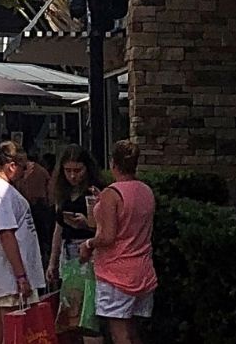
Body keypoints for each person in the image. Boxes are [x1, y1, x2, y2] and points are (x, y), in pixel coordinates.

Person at [0, 140, 46, 344]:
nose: (24, 173)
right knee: (13, 332)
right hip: (8, 274)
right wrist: (21, 275)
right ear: (12, 166)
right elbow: (6, 234)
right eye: (23, 168)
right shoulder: (2, 192)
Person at [90, 139, 158, 343]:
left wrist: (88, 244)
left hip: (116, 273)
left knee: (119, 334)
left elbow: (108, 236)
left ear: (113, 163)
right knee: (133, 332)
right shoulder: (146, 191)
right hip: (143, 269)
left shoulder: (112, 194)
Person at [46, 146, 102, 343]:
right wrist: (52, 262)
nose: (72, 176)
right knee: (70, 316)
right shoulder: (62, 193)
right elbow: (58, 228)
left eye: (77, 171)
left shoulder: (94, 191)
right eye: (68, 171)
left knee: (89, 316)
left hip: (90, 254)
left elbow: (105, 229)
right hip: (68, 254)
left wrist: (87, 224)